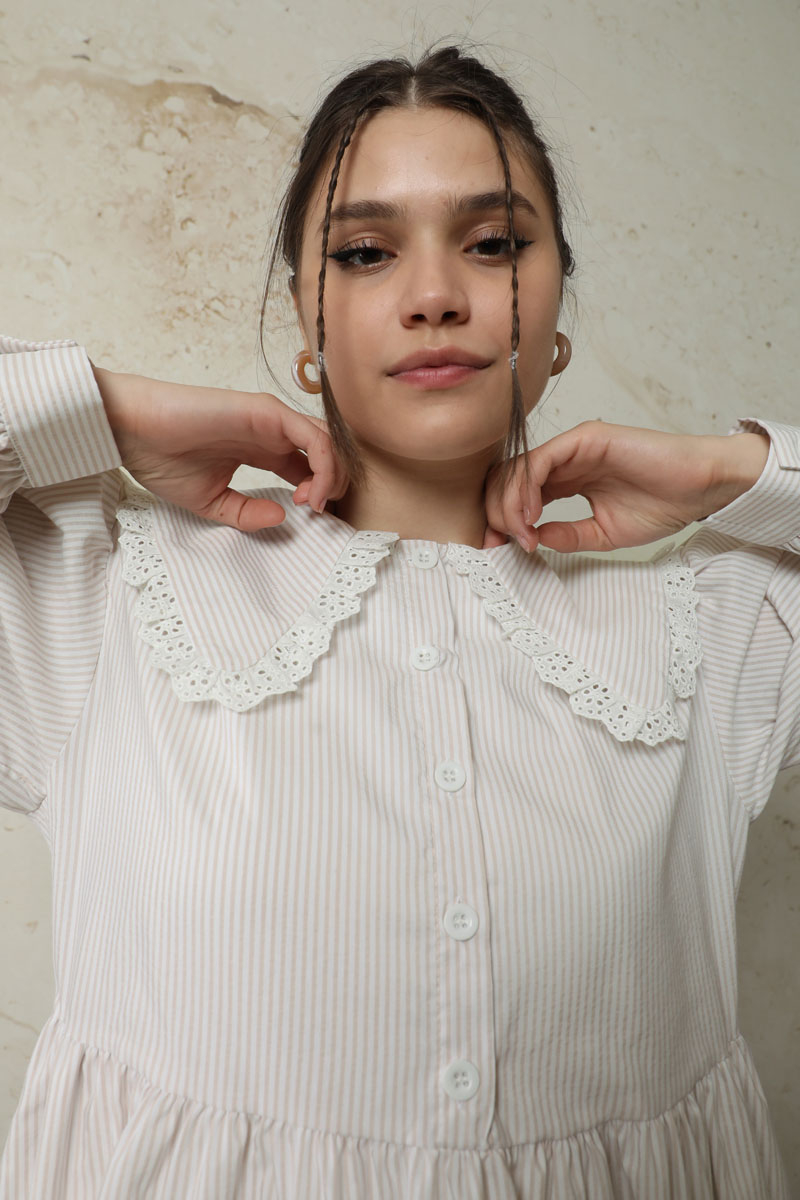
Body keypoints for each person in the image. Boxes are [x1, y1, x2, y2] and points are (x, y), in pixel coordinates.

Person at [0, 42, 796, 1200]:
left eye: (493, 243)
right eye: (365, 253)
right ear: (304, 317)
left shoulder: (717, 631)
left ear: (557, 308)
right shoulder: (99, 587)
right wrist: (111, 413)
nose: (433, 296)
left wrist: (732, 473)